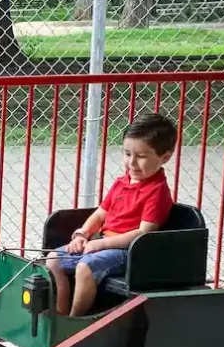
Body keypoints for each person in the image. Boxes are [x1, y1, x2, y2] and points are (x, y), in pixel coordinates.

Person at [46, 112, 177, 317]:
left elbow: (142, 233)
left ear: (165, 157)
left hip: (129, 252)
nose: (132, 163)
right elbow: (100, 214)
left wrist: (101, 244)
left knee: (85, 267)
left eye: (141, 156)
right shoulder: (121, 183)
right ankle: (60, 315)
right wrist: (82, 234)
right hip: (101, 242)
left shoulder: (157, 191)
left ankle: (76, 321)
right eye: (127, 154)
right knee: (53, 259)